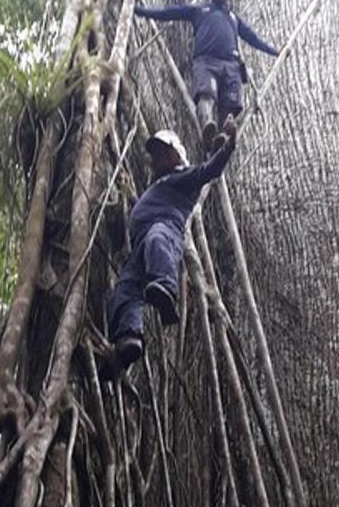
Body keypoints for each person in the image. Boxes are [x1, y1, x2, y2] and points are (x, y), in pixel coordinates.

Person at [102, 117, 238, 379]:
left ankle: (166, 289)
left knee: (157, 240)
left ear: (177, 155)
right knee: (125, 289)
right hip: (139, 245)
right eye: (156, 154)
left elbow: (209, 171)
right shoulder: (158, 186)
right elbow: (142, 205)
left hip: (163, 230)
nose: (158, 158)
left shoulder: (182, 176)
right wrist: (128, 191)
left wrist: (228, 145)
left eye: (164, 152)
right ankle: (128, 340)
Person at [134, 0, 278, 144]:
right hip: (206, 62)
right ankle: (207, 127)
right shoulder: (199, 9)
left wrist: (276, 52)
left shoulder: (233, 18)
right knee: (206, 96)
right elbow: (167, 12)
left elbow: (254, 39)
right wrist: (139, 10)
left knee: (230, 107)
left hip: (231, 67)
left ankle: (222, 140)